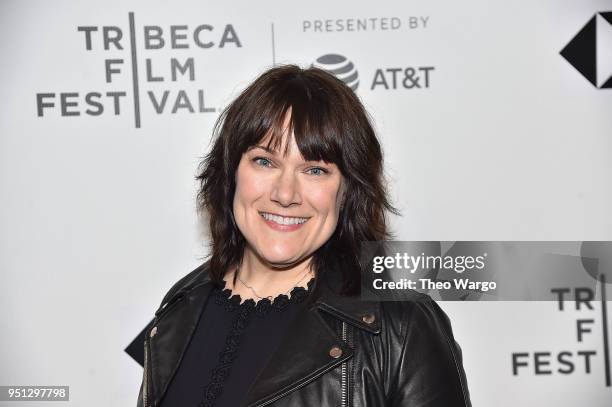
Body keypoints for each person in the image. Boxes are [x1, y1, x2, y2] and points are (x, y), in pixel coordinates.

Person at [132, 65, 471, 407]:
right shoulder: (180, 306)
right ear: (231, 172)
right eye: (264, 161)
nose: (285, 193)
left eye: (314, 170)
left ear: (347, 190)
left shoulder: (401, 326)